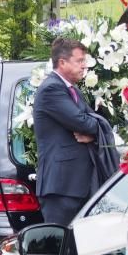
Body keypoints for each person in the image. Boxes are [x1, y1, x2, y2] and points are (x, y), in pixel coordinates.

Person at [33, 36, 119, 225]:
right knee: (61, 248)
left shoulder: (72, 90)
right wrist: (96, 129)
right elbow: (84, 122)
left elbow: (90, 122)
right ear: (62, 62)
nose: (84, 66)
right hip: (61, 187)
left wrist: (94, 133)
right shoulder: (51, 89)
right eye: (79, 61)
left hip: (78, 186)